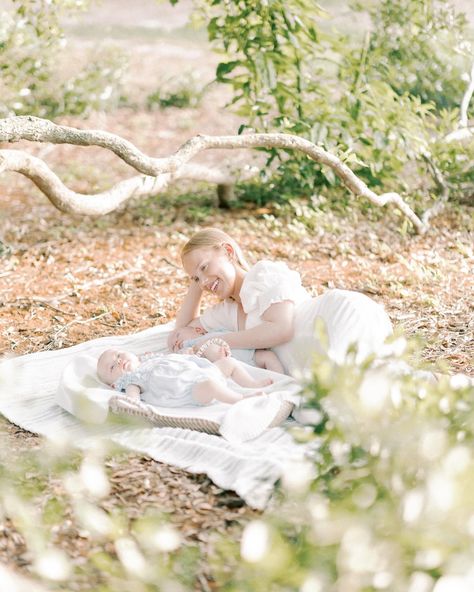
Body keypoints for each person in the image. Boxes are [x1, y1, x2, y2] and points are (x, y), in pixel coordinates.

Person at [168, 228, 393, 377]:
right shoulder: (226, 311)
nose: (204, 282)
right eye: (197, 278)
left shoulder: (263, 274)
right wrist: (196, 281)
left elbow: (281, 330)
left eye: (205, 267)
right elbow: (181, 333)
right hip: (310, 363)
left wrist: (215, 339)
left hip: (334, 319)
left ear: (228, 252)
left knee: (358, 383)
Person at [96, 339, 273, 407]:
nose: (119, 361)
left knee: (229, 363)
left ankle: (251, 384)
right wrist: (132, 403)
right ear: (114, 384)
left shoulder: (150, 360)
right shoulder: (132, 379)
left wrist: (184, 355)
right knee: (211, 386)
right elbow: (132, 398)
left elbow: (174, 360)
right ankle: (239, 400)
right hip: (190, 389)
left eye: (118, 355)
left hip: (202, 371)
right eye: (112, 367)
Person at [172, 323, 285, 373]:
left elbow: (235, 335)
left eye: (177, 336)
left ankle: (281, 382)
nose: (176, 343)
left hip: (249, 356)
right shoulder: (192, 348)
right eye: (173, 347)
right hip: (228, 368)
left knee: (269, 357)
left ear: (198, 330)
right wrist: (184, 352)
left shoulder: (215, 332)